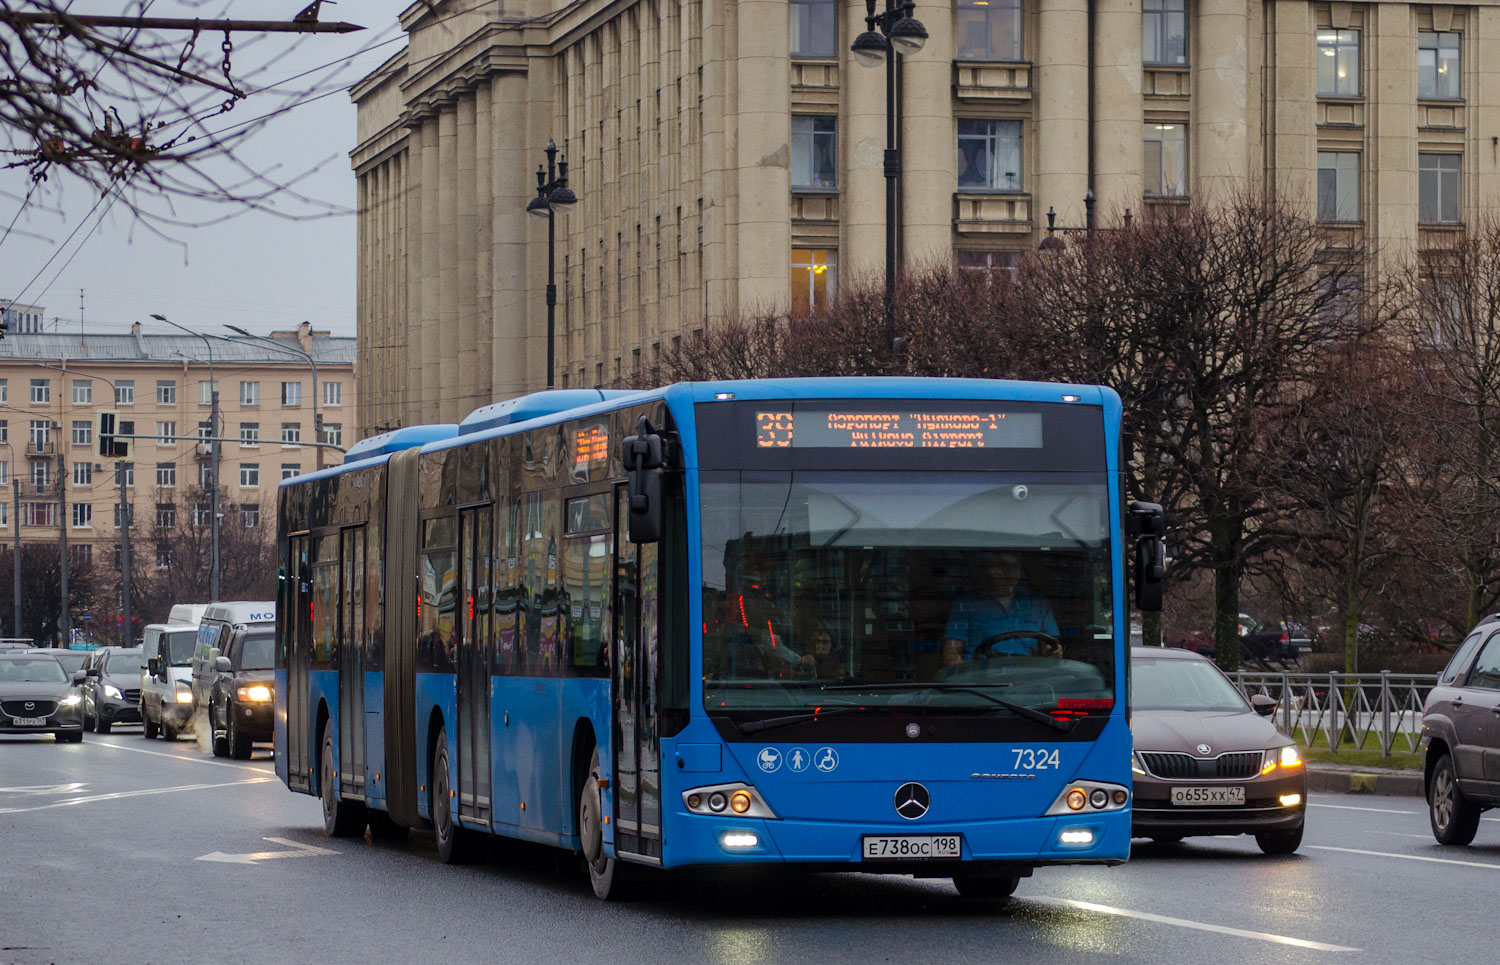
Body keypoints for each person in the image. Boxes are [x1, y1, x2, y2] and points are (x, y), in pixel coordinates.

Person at [942, 551, 1059, 666]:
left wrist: (1054, 652)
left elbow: (1050, 647)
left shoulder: (1038, 603)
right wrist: (971, 679)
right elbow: (952, 655)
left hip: (1029, 676)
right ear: (990, 568)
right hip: (982, 677)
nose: (1010, 572)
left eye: (1015, 566)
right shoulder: (965, 603)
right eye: (1003, 566)